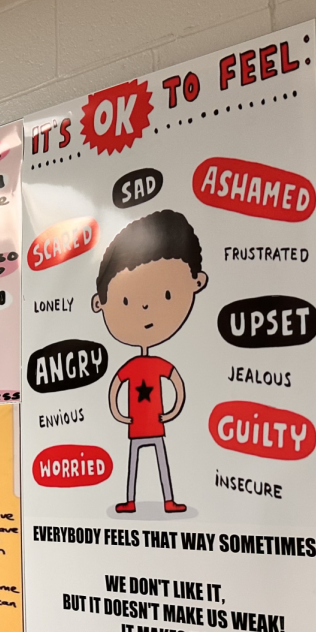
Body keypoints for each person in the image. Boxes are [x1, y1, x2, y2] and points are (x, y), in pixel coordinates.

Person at [91, 210, 207, 513]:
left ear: (197, 282)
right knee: (137, 462)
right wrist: (119, 414)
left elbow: (176, 384)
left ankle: (167, 500)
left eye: (167, 294)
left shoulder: (156, 365)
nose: (144, 307)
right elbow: (116, 388)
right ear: (99, 303)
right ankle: (130, 500)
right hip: (138, 426)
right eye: (126, 302)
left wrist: (173, 410)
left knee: (159, 461)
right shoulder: (133, 367)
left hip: (153, 424)